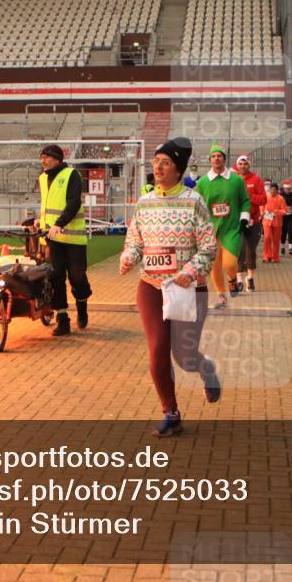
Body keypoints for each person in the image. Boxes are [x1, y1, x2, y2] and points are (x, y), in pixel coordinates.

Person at [120, 137, 220, 437]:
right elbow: (135, 241)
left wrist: (190, 270)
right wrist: (128, 257)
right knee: (158, 349)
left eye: (165, 163)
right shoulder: (145, 203)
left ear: (178, 169)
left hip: (186, 289)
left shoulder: (194, 201)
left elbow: (208, 246)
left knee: (184, 356)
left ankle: (205, 369)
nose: (158, 167)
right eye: (155, 162)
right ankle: (170, 411)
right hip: (151, 286)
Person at [36, 144, 92, 336]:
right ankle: (63, 319)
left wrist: (59, 223)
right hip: (52, 238)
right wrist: (40, 221)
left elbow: (74, 202)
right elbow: (47, 205)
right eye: (41, 157)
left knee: (77, 277)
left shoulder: (72, 175)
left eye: (46, 157)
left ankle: (82, 305)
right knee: (55, 277)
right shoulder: (42, 178)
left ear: (57, 159)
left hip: (73, 238)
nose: (43, 161)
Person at [195, 143, 251, 308]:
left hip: (231, 227)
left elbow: (245, 200)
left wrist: (244, 217)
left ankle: (232, 279)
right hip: (211, 229)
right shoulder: (203, 182)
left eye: (219, 155)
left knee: (230, 263)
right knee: (215, 265)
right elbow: (196, 203)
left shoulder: (236, 180)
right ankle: (221, 296)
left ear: (224, 159)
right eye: (213, 156)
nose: (216, 158)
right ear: (210, 160)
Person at [234, 155, 266, 292]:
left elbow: (263, 200)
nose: (242, 166)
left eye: (245, 163)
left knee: (250, 251)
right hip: (237, 222)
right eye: (240, 164)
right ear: (237, 165)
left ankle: (250, 278)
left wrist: (249, 196)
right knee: (238, 250)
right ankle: (239, 279)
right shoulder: (233, 179)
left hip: (253, 222)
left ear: (249, 165)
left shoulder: (256, 179)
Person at [262, 182, 286, 262]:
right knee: (267, 238)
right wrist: (263, 212)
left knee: (276, 240)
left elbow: (284, 210)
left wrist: (277, 212)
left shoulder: (281, 198)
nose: (273, 191)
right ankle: (266, 256)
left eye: (274, 189)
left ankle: (275, 257)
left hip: (277, 223)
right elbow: (261, 207)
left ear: (277, 190)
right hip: (267, 222)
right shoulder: (266, 197)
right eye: (271, 189)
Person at [280, 181, 292, 256]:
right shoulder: (280, 195)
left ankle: (290, 247)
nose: (287, 190)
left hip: (291, 216)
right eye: (286, 189)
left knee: (290, 230)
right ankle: (283, 246)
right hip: (283, 216)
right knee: (283, 232)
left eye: (289, 189)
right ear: (283, 189)